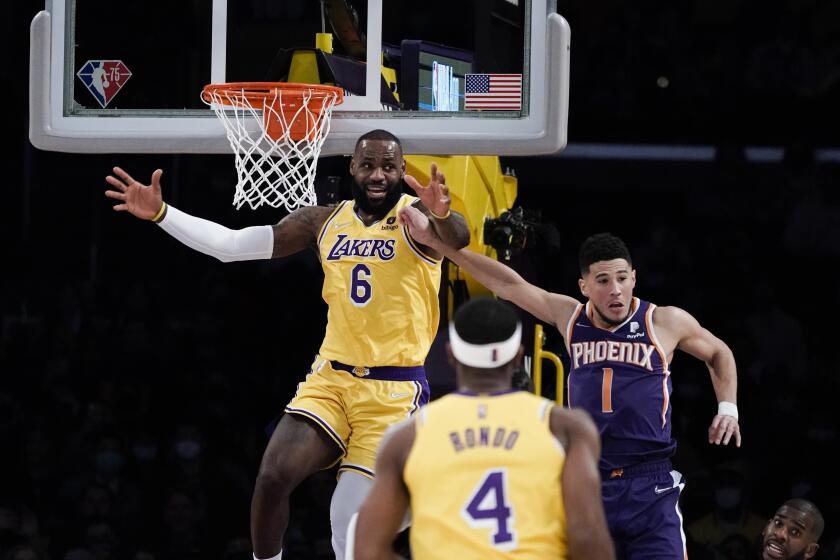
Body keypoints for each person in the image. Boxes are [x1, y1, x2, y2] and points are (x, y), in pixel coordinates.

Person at [104, 129, 470, 560]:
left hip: (391, 393)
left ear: (401, 171)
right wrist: (163, 214)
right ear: (352, 167)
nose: (377, 175)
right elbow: (231, 246)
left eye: (389, 166)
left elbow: (456, 238)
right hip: (331, 382)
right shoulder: (323, 221)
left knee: (344, 525)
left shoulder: (416, 218)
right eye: (368, 164)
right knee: (272, 477)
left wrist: (443, 213)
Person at [399, 215, 741, 560]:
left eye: (622, 278)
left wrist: (728, 408)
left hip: (650, 483)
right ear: (584, 286)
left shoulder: (664, 321)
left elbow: (718, 352)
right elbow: (507, 285)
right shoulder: (570, 317)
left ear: (634, 278)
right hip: (587, 478)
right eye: (603, 280)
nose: (616, 289)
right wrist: (438, 244)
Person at [350, 296, 615, 560]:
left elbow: (368, 551)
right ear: (518, 356)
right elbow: (586, 537)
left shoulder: (407, 437)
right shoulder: (565, 428)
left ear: (451, 355)